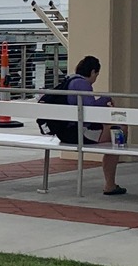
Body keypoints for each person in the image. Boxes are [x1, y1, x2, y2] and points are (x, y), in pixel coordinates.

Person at [44, 55, 125, 196]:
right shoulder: (82, 84)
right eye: (97, 75)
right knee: (120, 130)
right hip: (78, 133)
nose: (95, 79)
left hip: (64, 132)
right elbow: (89, 113)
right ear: (93, 72)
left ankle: (111, 181)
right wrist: (105, 99)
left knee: (113, 131)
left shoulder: (69, 80)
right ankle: (110, 184)